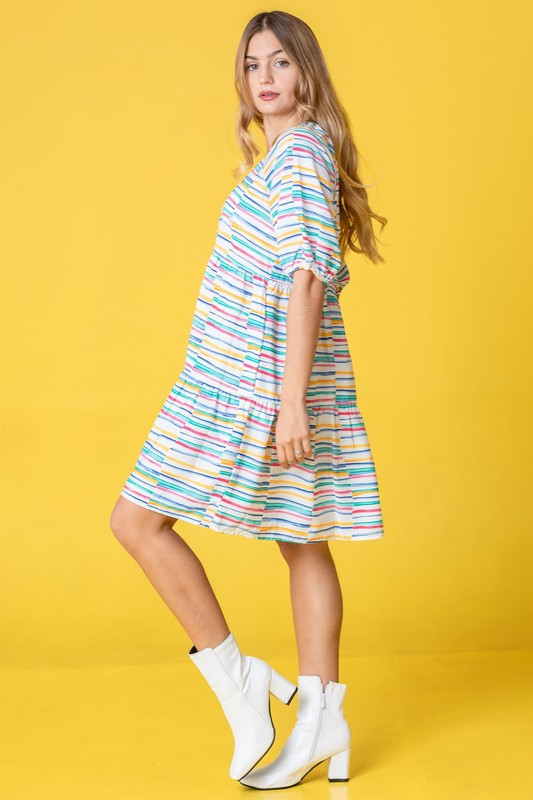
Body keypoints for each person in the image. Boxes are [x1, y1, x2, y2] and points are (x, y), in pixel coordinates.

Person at [110, 9, 387, 790]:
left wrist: (291, 402)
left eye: (281, 63)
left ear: (306, 75)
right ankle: (314, 709)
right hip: (245, 380)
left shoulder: (299, 154)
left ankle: (245, 688)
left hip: (256, 387)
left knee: (136, 521)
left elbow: (304, 276)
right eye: (252, 64)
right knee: (300, 537)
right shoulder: (289, 159)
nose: (264, 78)